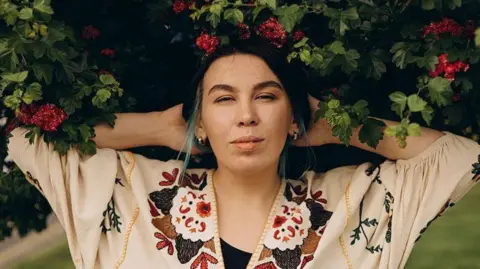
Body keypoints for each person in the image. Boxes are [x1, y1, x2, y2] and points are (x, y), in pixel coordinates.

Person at [7, 37, 480, 269]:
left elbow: (462, 159)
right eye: (224, 99)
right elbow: (22, 139)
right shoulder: (136, 194)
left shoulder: (347, 205)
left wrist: (340, 126)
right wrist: (163, 128)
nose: (247, 116)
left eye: (268, 96)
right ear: (203, 122)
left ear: (293, 117)